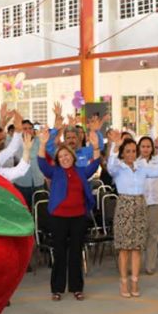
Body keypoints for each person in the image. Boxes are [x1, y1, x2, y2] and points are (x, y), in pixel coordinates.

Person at [37, 129, 101, 301]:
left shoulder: (81, 171)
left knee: (75, 252)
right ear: (58, 160)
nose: (64, 158)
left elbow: (95, 164)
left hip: (78, 217)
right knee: (59, 253)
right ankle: (57, 289)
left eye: (67, 155)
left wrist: (96, 146)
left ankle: (76, 288)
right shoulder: (54, 172)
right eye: (61, 156)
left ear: (73, 157)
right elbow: (41, 162)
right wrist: (42, 143)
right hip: (58, 218)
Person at [107, 134, 158, 297]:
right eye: (127, 151)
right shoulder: (119, 167)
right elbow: (110, 168)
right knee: (124, 247)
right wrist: (114, 148)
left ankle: (135, 280)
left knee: (137, 247)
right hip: (124, 206)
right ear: (123, 153)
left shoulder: (142, 168)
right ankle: (123, 280)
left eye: (134, 151)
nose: (131, 154)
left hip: (140, 206)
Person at [138, 135, 158, 275]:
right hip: (140, 202)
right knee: (139, 234)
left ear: (152, 148)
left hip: (157, 202)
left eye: (148, 146)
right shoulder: (135, 163)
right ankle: (136, 264)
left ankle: (150, 265)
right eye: (143, 146)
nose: (145, 149)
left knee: (153, 234)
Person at [12, 120, 46, 208]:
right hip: (22, 183)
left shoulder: (39, 141)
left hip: (38, 182)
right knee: (24, 211)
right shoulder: (15, 143)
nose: (28, 131)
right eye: (25, 128)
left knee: (40, 210)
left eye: (30, 128)